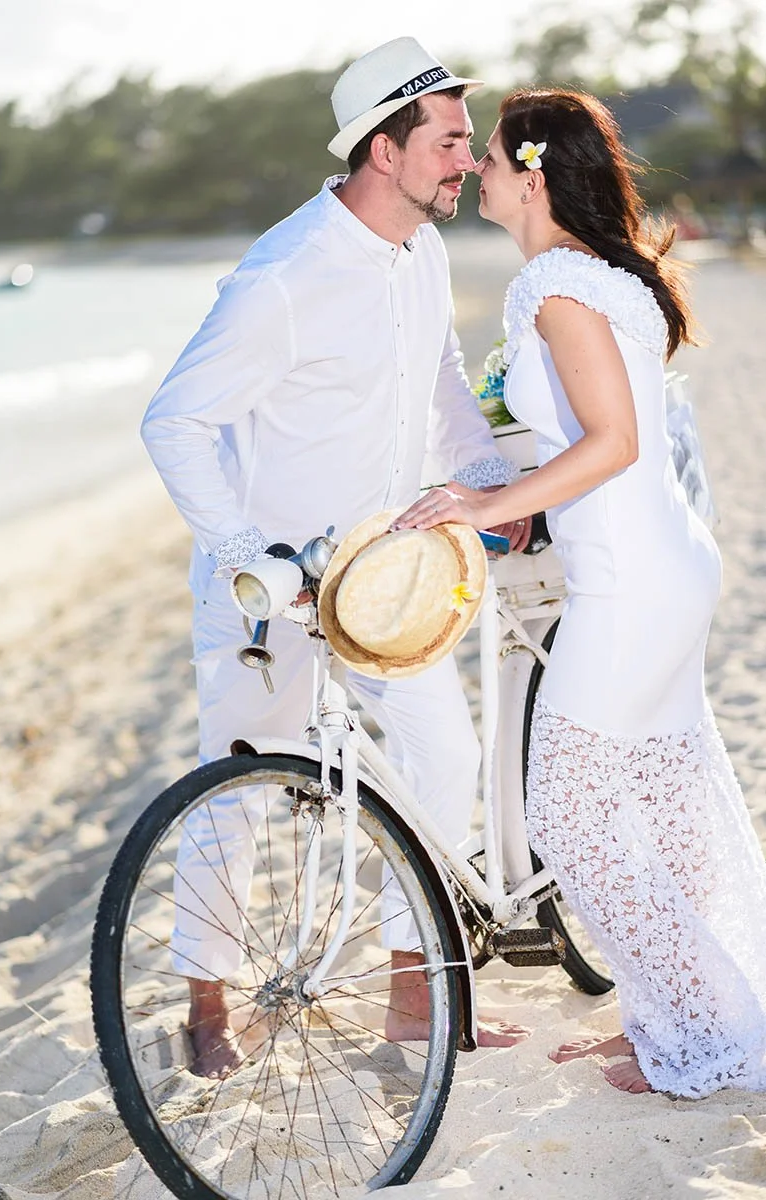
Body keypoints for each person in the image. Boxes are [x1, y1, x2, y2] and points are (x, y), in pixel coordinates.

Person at [141, 36, 532, 1078]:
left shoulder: (423, 249)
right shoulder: (285, 274)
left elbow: (441, 377)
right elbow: (174, 423)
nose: (466, 162)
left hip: (386, 579)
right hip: (269, 588)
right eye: (449, 143)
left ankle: (413, 995)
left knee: (443, 757)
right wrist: (246, 554)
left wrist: (489, 476)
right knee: (236, 791)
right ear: (383, 147)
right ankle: (207, 1008)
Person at [393, 87, 766, 1097]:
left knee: (566, 814)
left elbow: (614, 441)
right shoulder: (605, 277)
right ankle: (681, 1019)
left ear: (535, 173)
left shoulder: (554, 284)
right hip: (666, 564)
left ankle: (703, 1032)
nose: (475, 170)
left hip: (631, 582)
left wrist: (483, 502)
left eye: (492, 159)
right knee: (664, 801)